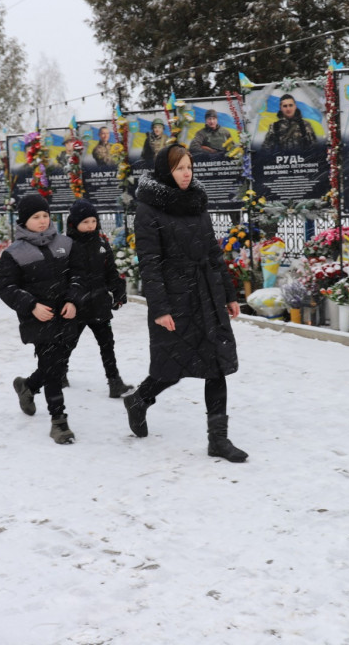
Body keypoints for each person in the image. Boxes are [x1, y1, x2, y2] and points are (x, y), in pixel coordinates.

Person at [122, 145, 247, 462]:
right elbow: (149, 263)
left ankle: (218, 440)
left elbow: (214, 254)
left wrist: (230, 295)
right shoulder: (149, 209)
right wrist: (160, 308)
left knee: (216, 366)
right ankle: (140, 399)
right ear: (166, 171)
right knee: (172, 367)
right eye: (179, 168)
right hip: (176, 298)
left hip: (208, 293)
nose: (186, 172)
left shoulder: (197, 203)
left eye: (189, 167)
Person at [0, 193, 81, 444]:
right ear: (24, 221)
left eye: (45, 215)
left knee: (56, 362)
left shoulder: (65, 244)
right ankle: (59, 421)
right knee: (53, 368)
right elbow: (6, 287)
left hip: (66, 315)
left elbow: (78, 275)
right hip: (38, 319)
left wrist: (73, 299)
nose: (43, 221)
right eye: (36, 217)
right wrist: (31, 306)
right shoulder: (15, 253)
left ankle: (29, 386)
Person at [65, 198, 131, 398]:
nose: (90, 226)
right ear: (74, 223)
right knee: (68, 342)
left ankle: (114, 381)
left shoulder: (101, 243)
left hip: (99, 303)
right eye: (85, 222)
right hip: (77, 305)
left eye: (93, 221)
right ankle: (59, 372)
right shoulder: (67, 245)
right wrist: (68, 299)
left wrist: (118, 289)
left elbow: (110, 271)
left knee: (107, 343)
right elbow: (63, 276)